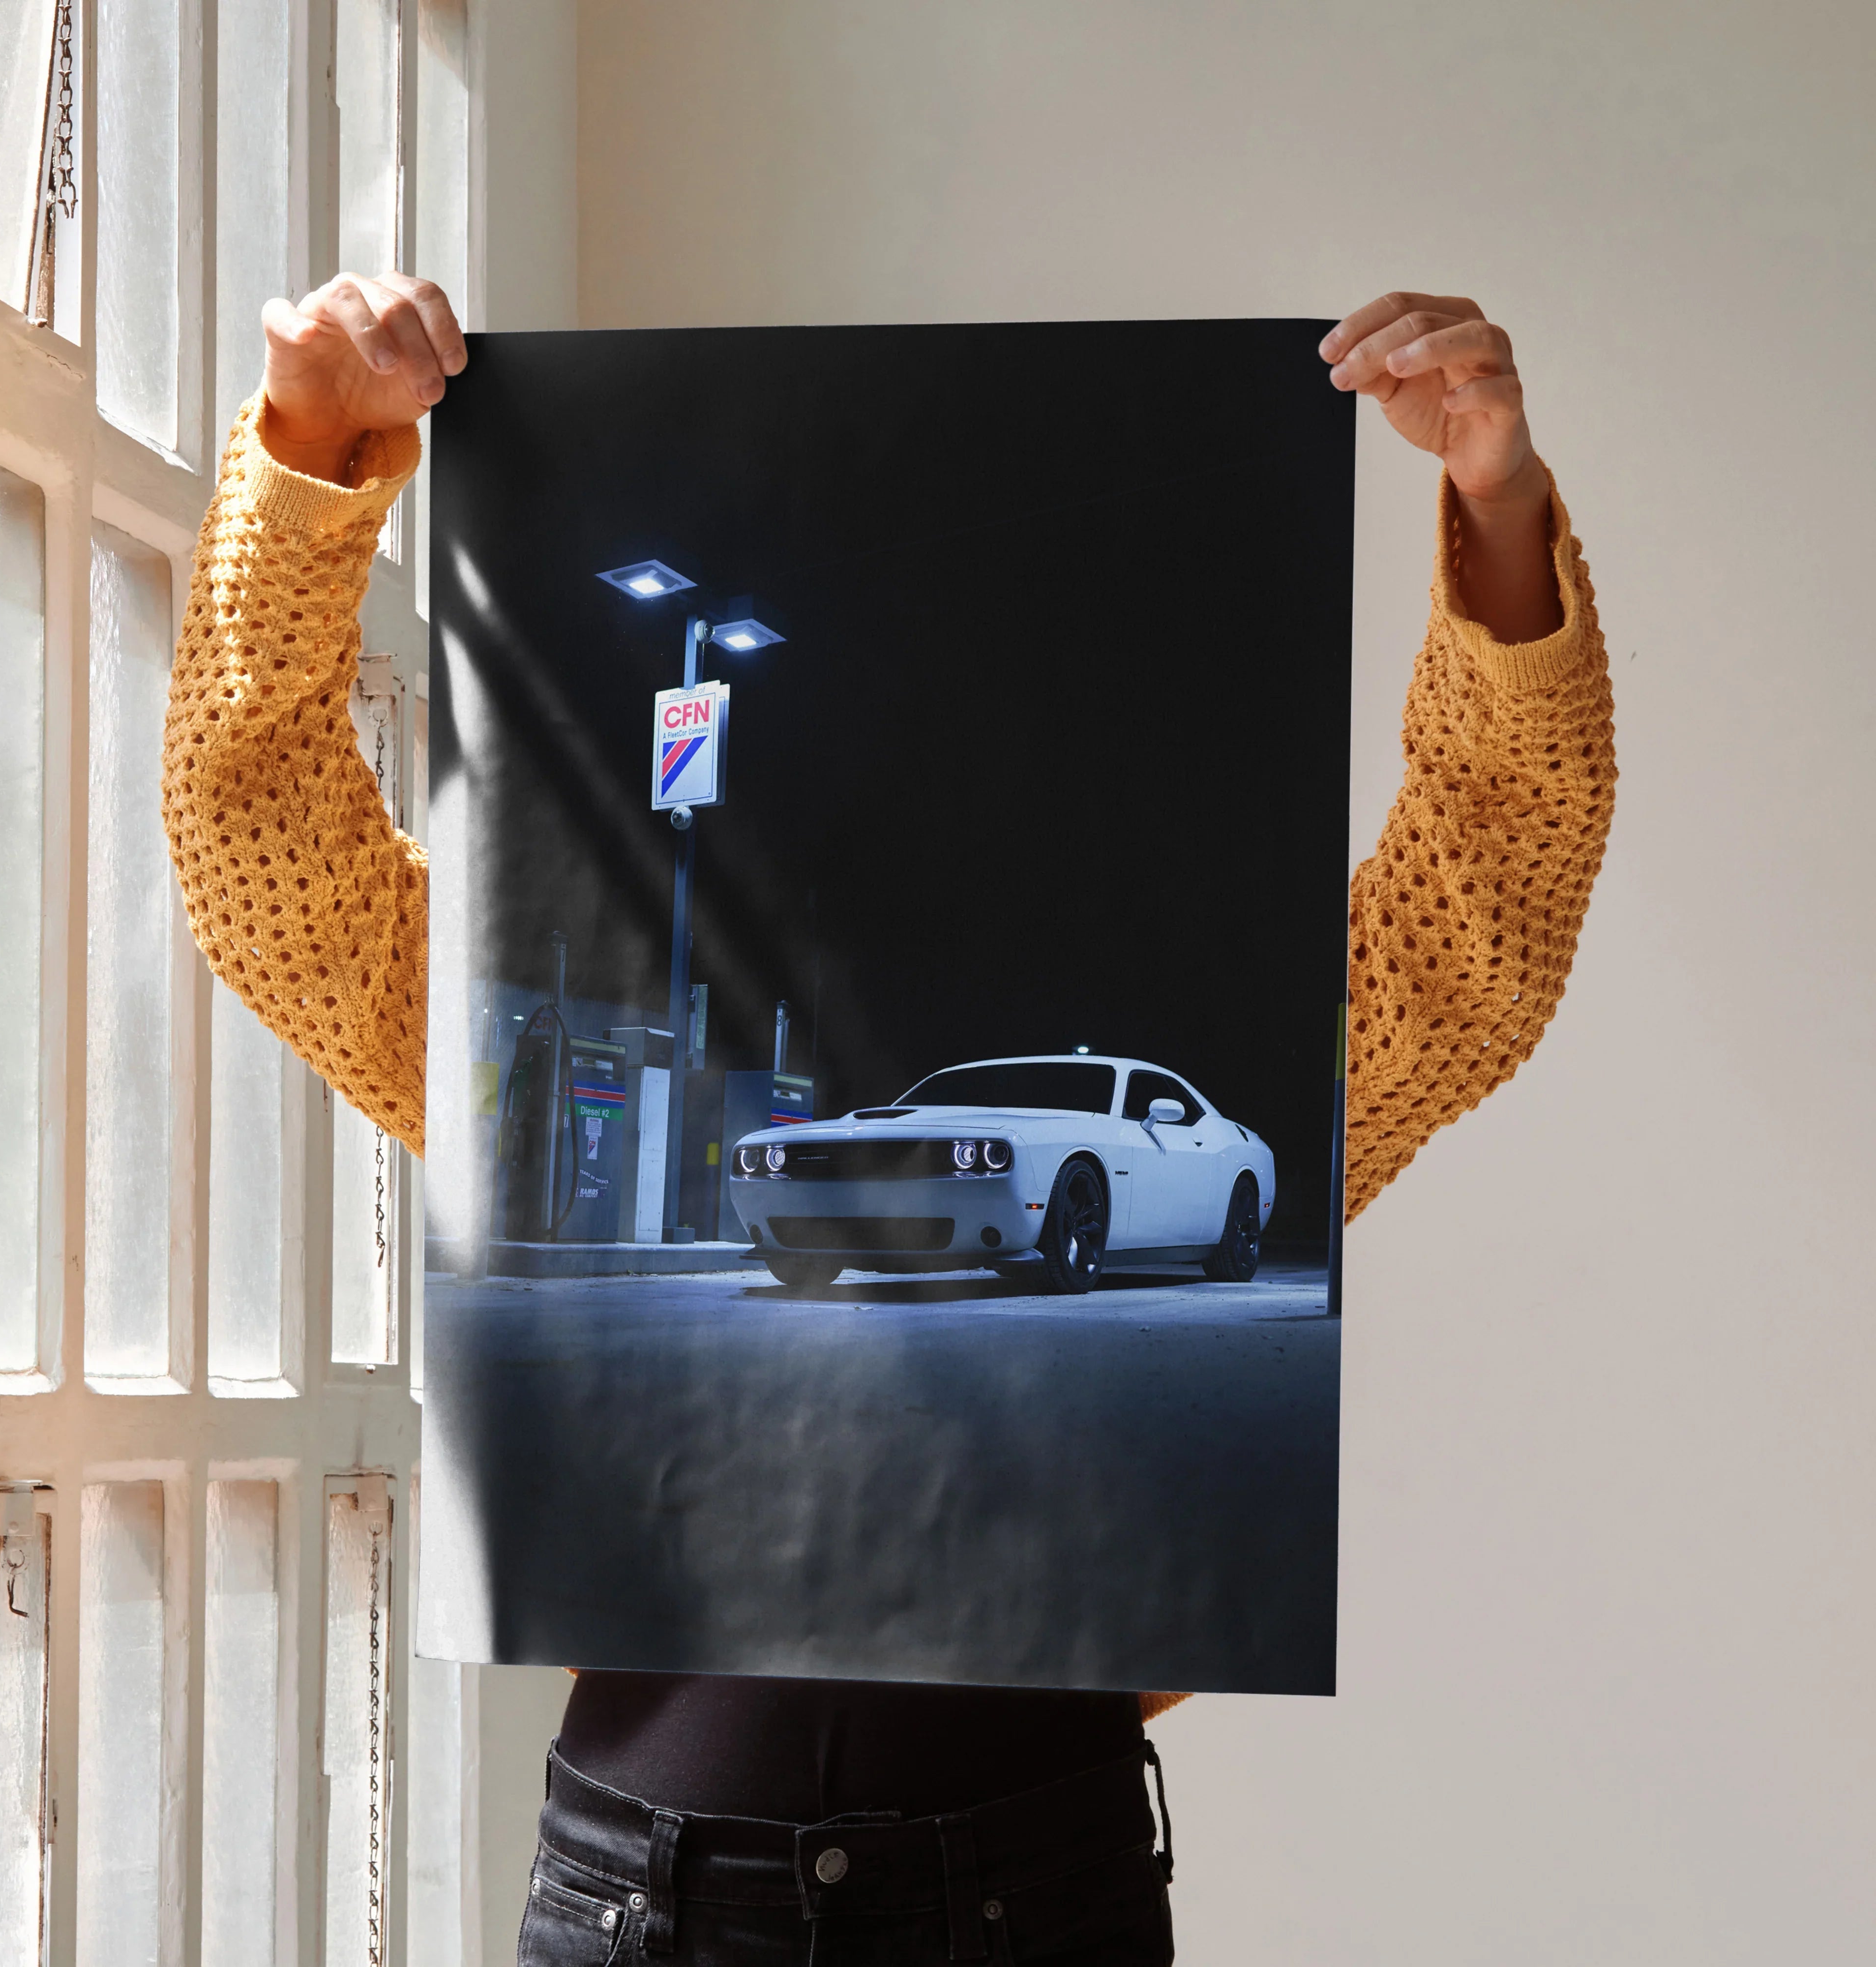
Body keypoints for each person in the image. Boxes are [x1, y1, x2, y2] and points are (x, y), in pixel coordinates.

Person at [163, 276, 1614, 1965]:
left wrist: (1497, 508)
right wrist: (308, 453)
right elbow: (264, 861)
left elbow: (1484, 916)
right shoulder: (652, 1059)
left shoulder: (1226, 1116)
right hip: (648, 1893)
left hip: (1029, 1885)